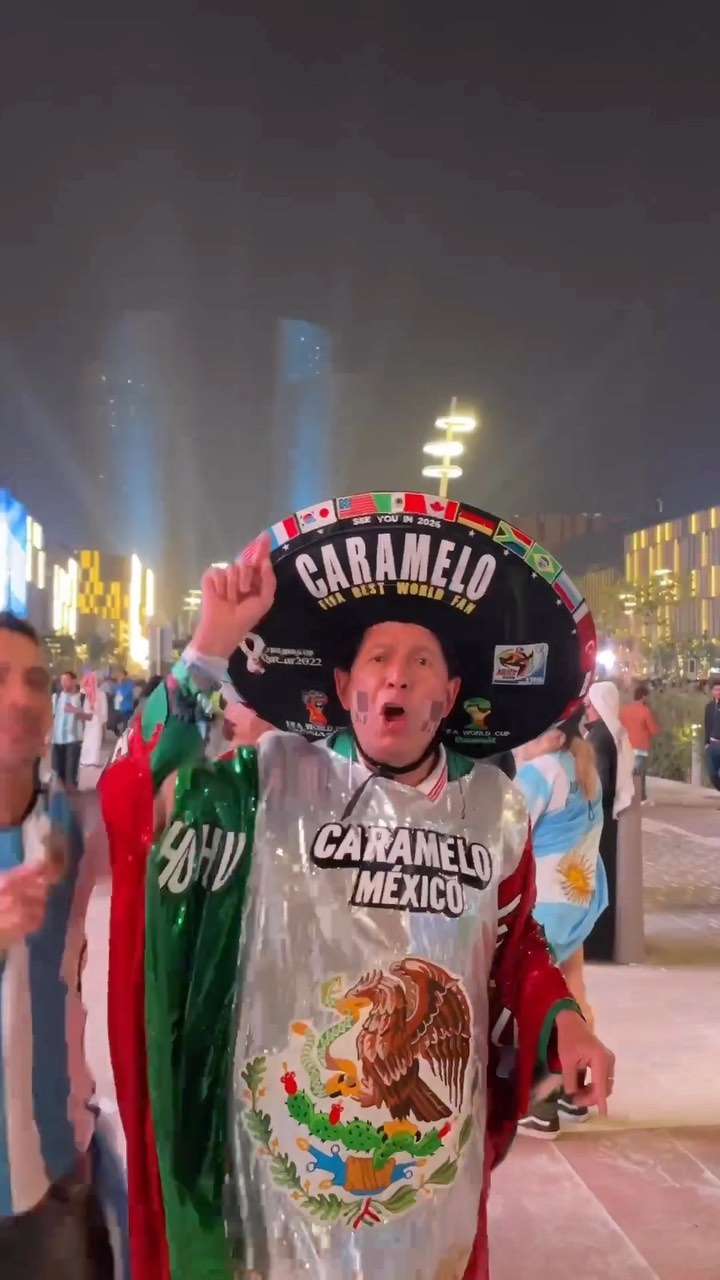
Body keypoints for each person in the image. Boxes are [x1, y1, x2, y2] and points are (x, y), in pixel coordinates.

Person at [99, 498, 613, 1280]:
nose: (397, 674)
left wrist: (562, 1018)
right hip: (279, 1191)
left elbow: (512, 949)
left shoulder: (493, 809)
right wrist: (208, 649)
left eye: (421, 661)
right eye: (378, 657)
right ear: (343, 686)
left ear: (449, 693)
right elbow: (137, 795)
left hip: (423, 1191)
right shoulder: (268, 785)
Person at [0, 612, 124, 1278]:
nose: (20, 698)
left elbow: (68, 970)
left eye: (33, 681)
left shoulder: (56, 828)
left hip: (50, 1172)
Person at [515, 713, 607, 1137]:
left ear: (551, 735)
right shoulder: (584, 769)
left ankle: (542, 1098)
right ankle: (574, 1089)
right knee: (573, 988)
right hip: (580, 894)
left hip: (544, 898)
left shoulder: (540, 771)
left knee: (533, 993)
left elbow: (507, 832)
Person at [583, 680, 635, 962]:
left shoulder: (600, 737)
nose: (586, 706)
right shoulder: (604, 734)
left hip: (599, 822)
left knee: (597, 882)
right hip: (604, 822)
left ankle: (596, 945)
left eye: (590, 702)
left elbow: (601, 784)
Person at [620, 683, 659, 801]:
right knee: (639, 774)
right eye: (647, 696)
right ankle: (640, 797)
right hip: (640, 747)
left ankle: (628, 796)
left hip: (626, 746)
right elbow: (653, 730)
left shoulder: (625, 711)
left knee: (628, 774)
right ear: (643, 697)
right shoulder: (645, 711)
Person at [51, 670, 84, 789]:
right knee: (58, 773)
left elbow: (85, 716)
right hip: (57, 740)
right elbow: (52, 716)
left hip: (73, 740)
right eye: (62, 680)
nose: (64, 683)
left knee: (71, 774)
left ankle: (71, 795)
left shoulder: (81, 697)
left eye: (67, 680)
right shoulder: (56, 697)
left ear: (73, 681)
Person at [78, 672, 110, 790]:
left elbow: (103, 710)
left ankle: (89, 759)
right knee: (91, 740)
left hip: (93, 720)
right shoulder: (89, 693)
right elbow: (104, 710)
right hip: (93, 720)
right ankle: (90, 759)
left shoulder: (95, 694)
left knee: (92, 740)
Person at [703, 678, 720, 791]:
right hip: (712, 744)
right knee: (712, 774)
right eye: (716, 689)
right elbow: (707, 724)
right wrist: (706, 743)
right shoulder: (709, 706)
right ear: (712, 691)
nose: (718, 692)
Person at [112, 669, 135, 736]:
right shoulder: (117, 685)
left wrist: (119, 685)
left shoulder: (129, 685)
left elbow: (124, 694)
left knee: (125, 725)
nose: (119, 677)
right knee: (115, 725)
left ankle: (125, 738)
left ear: (125, 676)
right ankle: (121, 736)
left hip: (127, 709)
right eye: (119, 675)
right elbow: (115, 694)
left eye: (121, 675)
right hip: (118, 708)